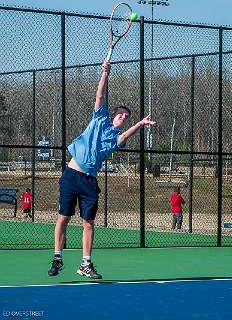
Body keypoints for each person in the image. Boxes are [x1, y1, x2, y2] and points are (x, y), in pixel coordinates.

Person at [48, 59, 156, 279]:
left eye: (126, 117)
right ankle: (57, 258)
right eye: (121, 115)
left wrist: (140, 124)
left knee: (88, 223)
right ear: (112, 114)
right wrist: (105, 73)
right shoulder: (98, 118)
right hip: (71, 175)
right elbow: (99, 96)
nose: (123, 118)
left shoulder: (118, 137)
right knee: (63, 218)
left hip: (89, 181)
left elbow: (126, 135)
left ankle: (85, 264)